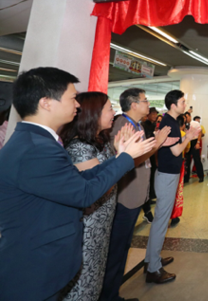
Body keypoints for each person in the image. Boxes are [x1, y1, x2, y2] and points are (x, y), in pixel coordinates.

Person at [0, 67, 155, 301]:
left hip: (43, 260)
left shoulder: (37, 142)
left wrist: (118, 158)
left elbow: (77, 180)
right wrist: (125, 158)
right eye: (72, 98)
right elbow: (84, 194)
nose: (78, 105)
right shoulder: (37, 148)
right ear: (46, 102)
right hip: (37, 264)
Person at [100, 89, 170, 301]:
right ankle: (108, 296)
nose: (148, 104)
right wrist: (157, 143)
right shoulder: (124, 125)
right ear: (133, 105)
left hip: (134, 195)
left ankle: (114, 294)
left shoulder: (136, 125)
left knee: (123, 248)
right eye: (145, 100)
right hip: (125, 197)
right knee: (116, 250)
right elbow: (129, 161)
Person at [57, 92, 119, 301]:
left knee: (96, 276)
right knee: (84, 282)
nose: (114, 113)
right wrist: (124, 156)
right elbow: (101, 187)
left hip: (101, 222)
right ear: (94, 114)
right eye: (109, 109)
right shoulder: (80, 147)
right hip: (89, 226)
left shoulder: (99, 141)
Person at [144, 90, 199, 284]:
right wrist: (189, 137)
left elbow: (172, 147)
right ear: (173, 105)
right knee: (161, 221)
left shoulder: (172, 121)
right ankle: (153, 269)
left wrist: (186, 137)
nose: (185, 104)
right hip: (167, 175)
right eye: (182, 101)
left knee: (160, 219)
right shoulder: (169, 122)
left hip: (167, 173)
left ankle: (151, 259)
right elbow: (176, 151)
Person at [183, 111, 204, 183]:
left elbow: (199, 133)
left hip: (194, 141)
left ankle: (201, 176)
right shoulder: (183, 124)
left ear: (190, 116)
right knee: (187, 161)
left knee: (197, 160)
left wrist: (198, 142)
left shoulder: (195, 123)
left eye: (187, 117)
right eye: (185, 117)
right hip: (187, 142)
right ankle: (186, 178)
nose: (186, 118)